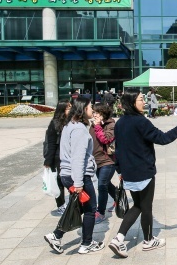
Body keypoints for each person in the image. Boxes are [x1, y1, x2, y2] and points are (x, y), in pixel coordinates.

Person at [108, 89, 177, 258]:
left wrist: (120, 170)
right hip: (144, 172)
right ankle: (146, 241)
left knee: (138, 205)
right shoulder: (141, 122)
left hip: (129, 172)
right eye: (141, 99)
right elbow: (163, 138)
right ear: (132, 102)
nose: (144, 102)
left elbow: (117, 150)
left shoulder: (120, 123)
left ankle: (120, 238)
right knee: (145, 207)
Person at [44, 96, 105, 255]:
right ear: (83, 109)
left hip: (67, 173)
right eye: (90, 107)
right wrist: (78, 183)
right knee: (91, 209)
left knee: (76, 206)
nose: (92, 110)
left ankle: (55, 235)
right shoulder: (78, 129)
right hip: (78, 175)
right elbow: (78, 158)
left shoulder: (70, 125)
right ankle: (86, 243)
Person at [90, 103, 117, 224]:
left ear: (103, 113)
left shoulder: (111, 124)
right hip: (96, 161)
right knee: (106, 184)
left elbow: (105, 139)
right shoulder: (93, 124)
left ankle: (100, 212)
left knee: (101, 185)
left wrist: (97, 126)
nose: (94, 115)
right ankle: (119, 199)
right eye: (93, 112)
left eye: (96, 112)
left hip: (108, 161)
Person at [43, 99, 71, 215]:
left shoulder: (70, 121)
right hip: (57, 157)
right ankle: (61, 205)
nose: (71, 109)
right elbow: (51, 144)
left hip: (67, 156)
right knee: (59, 182)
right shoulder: (54, 123)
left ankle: (73, 203)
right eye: (68, 107)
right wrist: (48, 161)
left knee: (69, 179)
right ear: (62, 109)